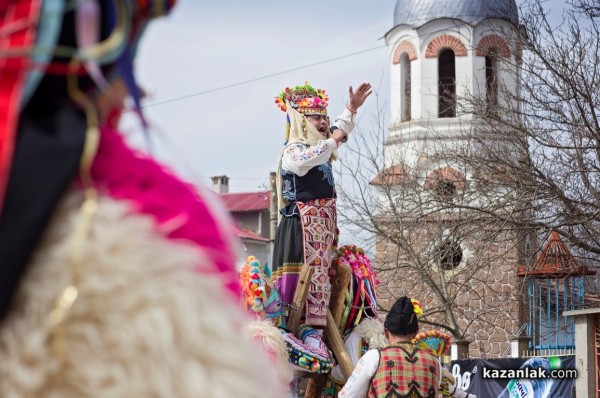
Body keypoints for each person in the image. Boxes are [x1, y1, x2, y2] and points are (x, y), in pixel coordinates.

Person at [271, 81, 372, 330]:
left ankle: (315, 328)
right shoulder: (293, 152)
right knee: (299, 288)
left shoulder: (321, 149)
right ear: (302, 122)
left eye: (324, 117)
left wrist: (351, 107)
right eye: (316, 118)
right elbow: (308, 158)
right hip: (301, 229)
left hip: (321, 230)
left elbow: (338, 129)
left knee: (323, 281)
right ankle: (299, 328)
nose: (324, 122)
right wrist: (335, 140)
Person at [338, 297, 441, 398]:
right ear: (415, 333)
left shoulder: (374, 357)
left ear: (386, 332)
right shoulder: (435, 362)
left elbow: (347, 395)